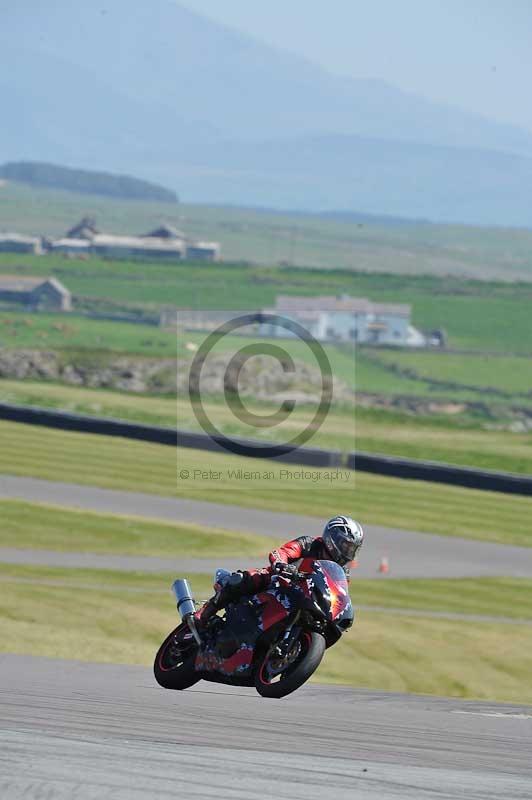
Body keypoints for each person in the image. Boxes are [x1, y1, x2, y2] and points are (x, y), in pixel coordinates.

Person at [194, 515, 364, 628]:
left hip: (305, 598)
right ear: (332, 538)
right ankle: (207, 610)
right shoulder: (310, 544)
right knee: (247, 579)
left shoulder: (342, 572)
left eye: (352, 548)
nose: (348, 552)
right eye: (345, 545)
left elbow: (340, 595)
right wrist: (282, 565)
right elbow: (282, 552)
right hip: (280, 581)